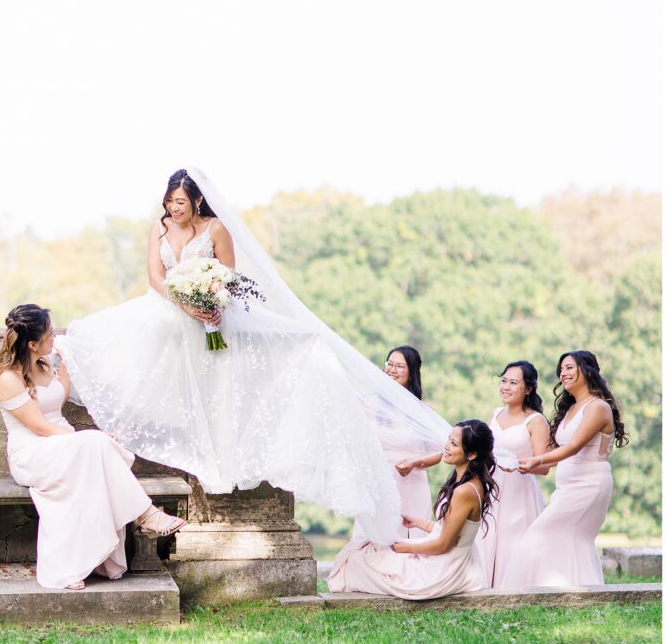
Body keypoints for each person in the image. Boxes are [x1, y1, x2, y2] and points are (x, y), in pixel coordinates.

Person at [56, 168, 451, 544]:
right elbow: (155, 278)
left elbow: (228, 279)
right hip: (168, 309)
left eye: (180, 202)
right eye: (169, 201)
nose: (173, 209)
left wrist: (208, 304)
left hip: (209, 320)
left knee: (221, 385)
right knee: (125, 346)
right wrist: (184, 304)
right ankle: (121, 432)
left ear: (196, 201)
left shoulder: (216, 229)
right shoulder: (159, 228)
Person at [0, 304, 186, 590]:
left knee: (93, 450)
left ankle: (87, 558)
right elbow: (40, 426)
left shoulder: (43, 364)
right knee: (95, 443)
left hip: (61, 445)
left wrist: (67, 365)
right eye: (48, 334)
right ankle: (146, 515)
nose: (54, 337)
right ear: (32, 344)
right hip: (32, 453)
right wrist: (85, 440)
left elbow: (57, 399)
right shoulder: (9, 378)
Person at [327, 420, 498, 599]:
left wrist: (404, 548)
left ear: (471, 454)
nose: (446, 447)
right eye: (448, 440)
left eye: (453, 444)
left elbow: (443, 544)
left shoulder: (465, 491)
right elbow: (451, 531)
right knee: (367, 547)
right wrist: (418, 523)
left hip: (444, 567)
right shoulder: (466, 482)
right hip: (449, 558)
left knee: (356, 561)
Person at [501, 350, 628, 588]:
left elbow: (573, 447)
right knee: (569, 539)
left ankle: (519, 592)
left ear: (587, 370)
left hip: (589, 485)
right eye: (561, 369)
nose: (563, 373)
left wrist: (535, 461)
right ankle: (576, 590)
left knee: (539, 535)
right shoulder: (570, 408)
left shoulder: (598, 407)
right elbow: (558, 454)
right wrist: (524, 465)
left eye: (569, 367)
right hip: (567, 486)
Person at [475, 360, 549, 587]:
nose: (505, 387)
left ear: (528, 389)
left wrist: (518, 465)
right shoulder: (495, 414)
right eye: (503, 381)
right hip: (492, 486)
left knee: (513, 540)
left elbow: (544, 466)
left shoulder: (536, 421)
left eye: (513, 382)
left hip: (519, 491)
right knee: (486, 537)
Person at [377, 346, 443, 538]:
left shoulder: (422, 412)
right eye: (389, 364)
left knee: (409, 539)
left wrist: (415, 463)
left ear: (411, 373)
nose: (392, 369)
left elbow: (440, 453)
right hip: (379, 483)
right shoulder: (371, 404)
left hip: (411, 485)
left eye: (399, 366)